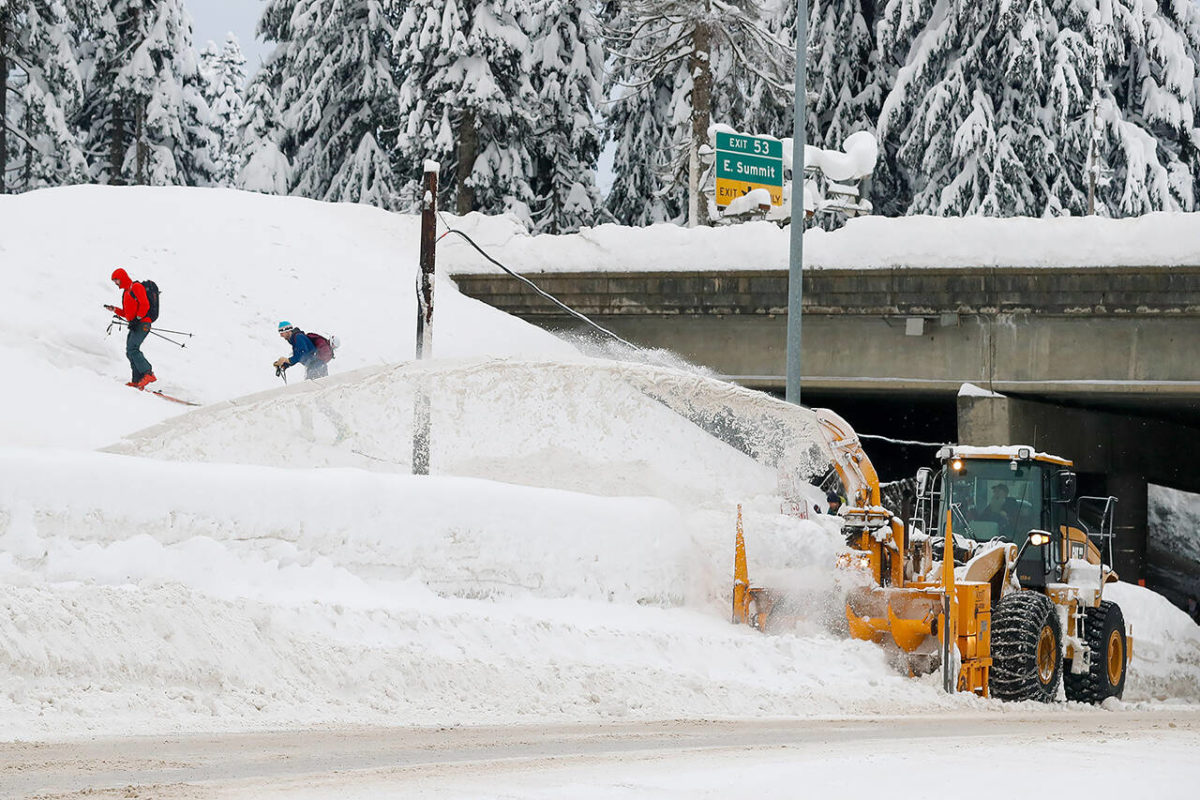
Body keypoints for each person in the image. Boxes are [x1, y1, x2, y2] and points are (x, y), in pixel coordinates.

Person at [104, 268, 156, 389]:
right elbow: (127, 314)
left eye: (116, 280)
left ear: (122, 278)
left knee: (133, 348)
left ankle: (148, 373)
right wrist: (115, 309)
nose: (116, 283)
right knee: (129, 351)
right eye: (114, 281)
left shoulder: (136, 287)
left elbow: (145, 304)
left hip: (143, 323)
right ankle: (137, 380)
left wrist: (138, 318)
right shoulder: (126, 293)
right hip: (135, 324)